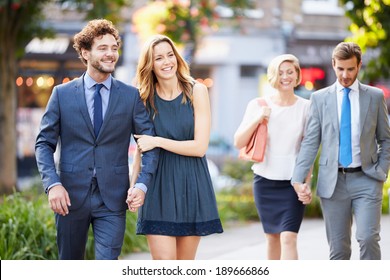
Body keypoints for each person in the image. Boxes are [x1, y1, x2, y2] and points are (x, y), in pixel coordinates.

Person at [35, 19, 159, 260]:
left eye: (114, 47)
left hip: (112, 200)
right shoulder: (62, 95)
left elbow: (149, 143)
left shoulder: (130, 96)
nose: (111, 54)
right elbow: (44, 143)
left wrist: (142, 184)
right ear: (85, 52)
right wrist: (53, 184)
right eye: (103, 48)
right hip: (69, 197)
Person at [292, 42, 390, 260]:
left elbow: (385, 139)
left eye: (351, 69)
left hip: (367, 178)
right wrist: (298, 178)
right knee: (339, 250)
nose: (345, 75)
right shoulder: (319, 98)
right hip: (333, 182)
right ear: (333, 65)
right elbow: (311, 141)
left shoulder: (374, 97)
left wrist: (382, 170)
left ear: (359, 66)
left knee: (368, 238)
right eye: (340, 69)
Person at [130, 34, 223, 260]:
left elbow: (200, 147)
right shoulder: (143, 98)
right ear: (150, 65)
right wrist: (134, 186)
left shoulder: (196, 91)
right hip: (158, 186)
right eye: (158, 58)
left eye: (170, 55)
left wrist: (158, 141)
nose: (166, 62)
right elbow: (141, 151)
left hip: (191, 183)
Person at [234, 54, 311, 260]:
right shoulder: (257, 104)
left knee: (288, 237)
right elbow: (238, 141)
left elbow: (308, 149)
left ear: (297, 76)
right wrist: (258, 118)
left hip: (292, 183)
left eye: (290, 72)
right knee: (272, 238)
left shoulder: (306, 107)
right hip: (265, 181)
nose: (285, 77)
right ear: (273, 76)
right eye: (280, 72)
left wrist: (306, 183)